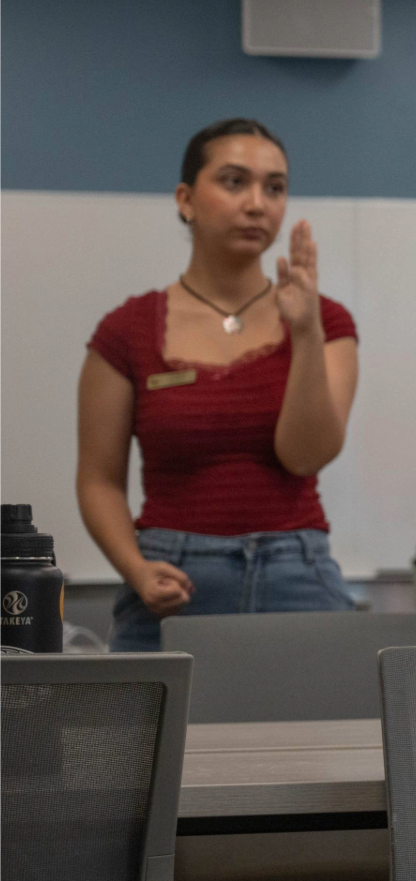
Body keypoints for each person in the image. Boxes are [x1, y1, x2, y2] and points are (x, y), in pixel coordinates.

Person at [77, 118, 360, 652]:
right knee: (155, 737)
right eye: (234, 182)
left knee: (325, 734)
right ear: (186, 199)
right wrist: (136, 569)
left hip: (296, 572)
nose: (257, 203)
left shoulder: (326, 322)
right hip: (171, 576)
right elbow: (98, 480)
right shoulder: (127, 330)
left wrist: (303, 332)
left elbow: (305, 456)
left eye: (274, 187)